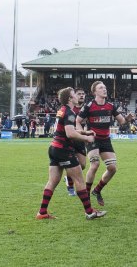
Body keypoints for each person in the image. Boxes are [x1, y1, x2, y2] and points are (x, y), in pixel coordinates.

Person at [35, 87, 106, 220]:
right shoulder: (70, 112)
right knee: (79, 180)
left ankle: (42, 212)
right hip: (64, 150)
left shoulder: (62, 110)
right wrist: (87, 138)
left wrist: (84, 132)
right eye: (74, 93)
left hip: (54, 149)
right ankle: (90, 212)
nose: (76, 95)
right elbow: (70, 133)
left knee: (52, 182)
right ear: (69, 98)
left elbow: (68, 130)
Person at [76, 81, 133, 207]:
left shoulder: (111, 106)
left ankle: (97, 190)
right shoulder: (89, 106)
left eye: (105, 88)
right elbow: (78, 121)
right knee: (95, 164)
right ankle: (86, 195)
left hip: (105, 140)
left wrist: (128, 119)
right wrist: (84, 134)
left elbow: (122, 121)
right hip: (93, 139)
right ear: (95, 92)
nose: (104, 89)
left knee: (112, 168)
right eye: (101, 88)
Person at [64, 87, 89, 196]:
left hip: (80, 139)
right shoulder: (70, 109)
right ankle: (70, 186)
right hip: (71, 138)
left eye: (83, 93)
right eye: (79, 94)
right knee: (73, 165)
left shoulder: (87, 108)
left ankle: (68, 177)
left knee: (82, 165)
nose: (82, 95)